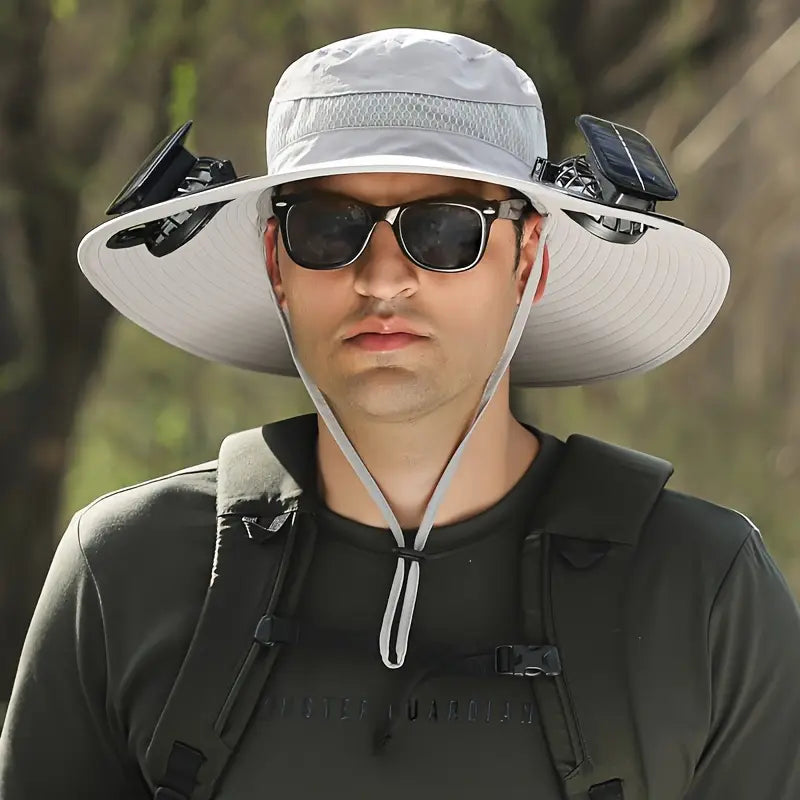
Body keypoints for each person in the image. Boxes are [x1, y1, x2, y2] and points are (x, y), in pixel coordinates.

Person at [1, 27, 799, 800]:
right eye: (328, 228)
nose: (382, 278)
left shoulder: (703, 590)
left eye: (445, 230)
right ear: (277, 262)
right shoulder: (125, 570)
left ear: (528, 257)